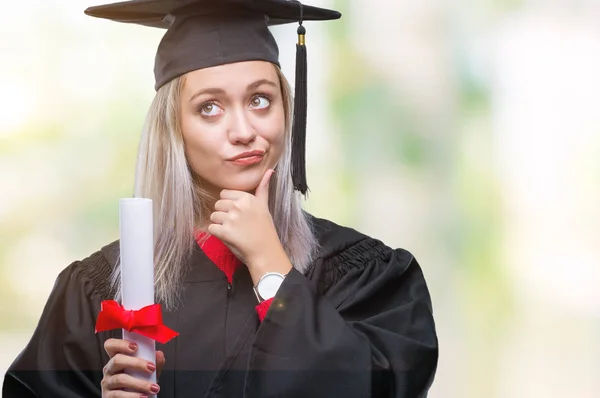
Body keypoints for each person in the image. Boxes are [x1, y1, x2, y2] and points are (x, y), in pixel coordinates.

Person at [2, 0, 439, 397]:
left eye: (260, 100)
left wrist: (272, 268)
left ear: (287, 110)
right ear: (174, 129)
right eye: (209, 107)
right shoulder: (100, 291)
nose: (244, 129)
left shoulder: (367, 276)